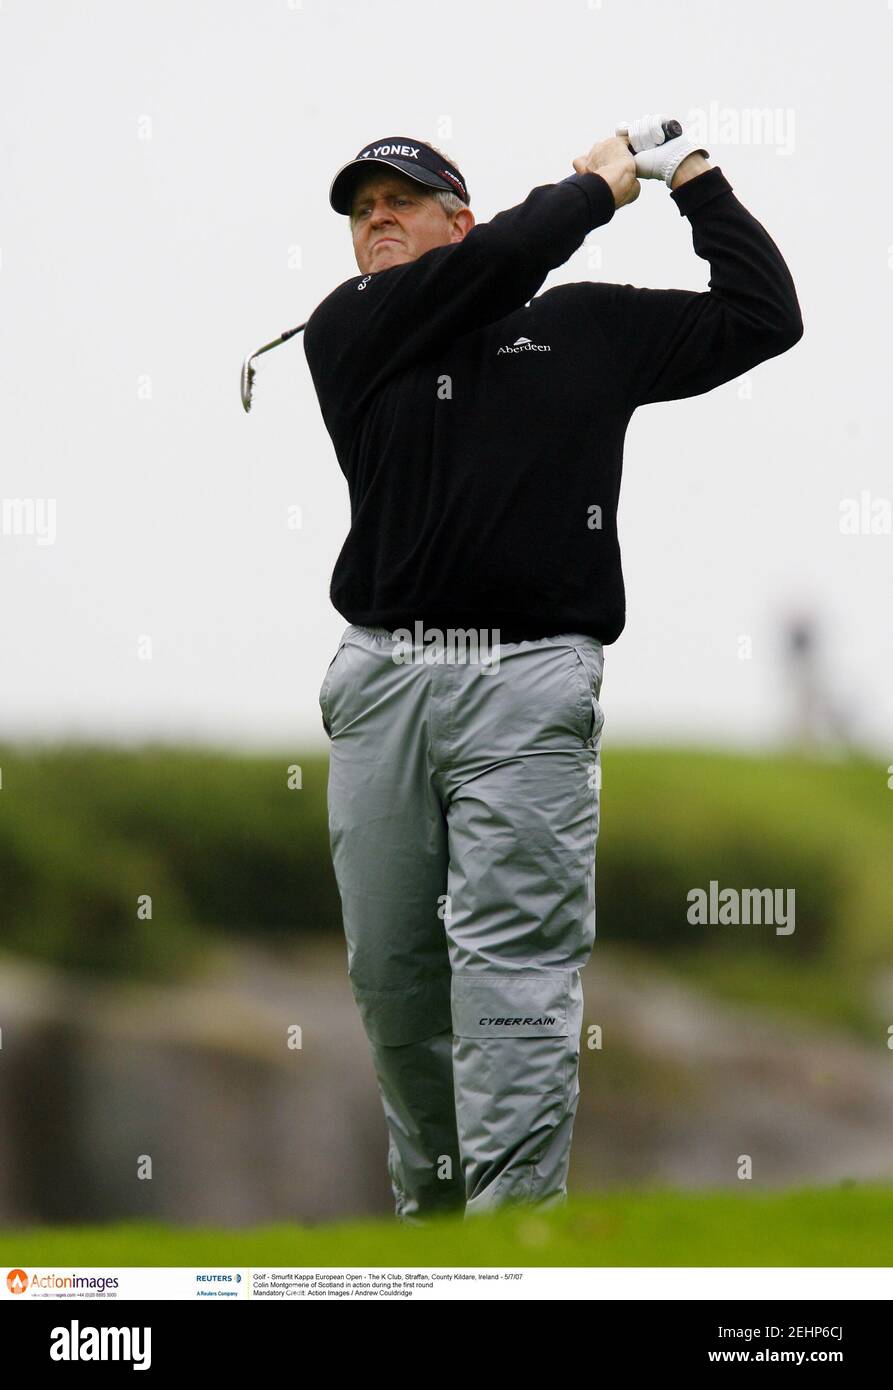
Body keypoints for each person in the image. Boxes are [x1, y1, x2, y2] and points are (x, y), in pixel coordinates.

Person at [301, 120, 803, 1222]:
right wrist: (585, 189)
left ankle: (512, 1238)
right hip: (383, 680)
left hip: (530, 685)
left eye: (399, 201)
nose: (374, 220)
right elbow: (499, 266)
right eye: (359, 210)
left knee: (512, 979)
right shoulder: (352, 329)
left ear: (458, 217)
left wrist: (693, 182)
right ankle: (433, 1231)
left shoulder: (583, 326)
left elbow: (765, 316)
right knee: (394, 984)